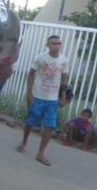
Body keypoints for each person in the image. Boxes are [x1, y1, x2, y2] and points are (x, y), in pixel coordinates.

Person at [16, 35, 68, 166]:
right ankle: (24, 141)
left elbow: (64, 79)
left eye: (59, 43)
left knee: (50, 125)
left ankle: (41, 153)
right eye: (53, 43)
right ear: (48, 45)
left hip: (53, 100)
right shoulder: (41, 58)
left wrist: (63, 97)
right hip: (38, 96)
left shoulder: (64, 60)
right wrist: (29, 93)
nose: (56, 46)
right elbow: (30, 74)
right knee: (31, 121)